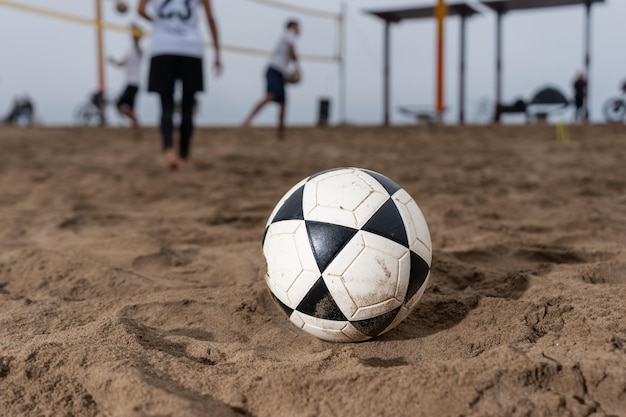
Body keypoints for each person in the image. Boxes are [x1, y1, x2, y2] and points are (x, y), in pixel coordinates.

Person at [138, 0, 222, 170]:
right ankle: (183, 155)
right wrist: (217, 52)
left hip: (162, 48)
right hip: (191, 48)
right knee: (188, 106)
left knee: (166, 105)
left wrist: (159, 22)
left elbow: (140, 10)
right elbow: (210, 19)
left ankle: (169, 150)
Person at [242, 20, 300, 139]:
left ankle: (281, 133)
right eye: (298, 27)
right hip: (274, 70)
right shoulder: (290, 34)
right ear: (292, 27)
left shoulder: (287, 36)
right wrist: (297, 63)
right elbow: (292, 51)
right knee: (270, 96)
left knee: (283, 103)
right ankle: (247, 121)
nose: (299, 29)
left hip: (278, 72)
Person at [108, 23, 144, 138]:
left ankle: (137, 125)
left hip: (133, 83)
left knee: (119, 105)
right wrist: (113, 61)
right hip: (131, 83)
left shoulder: (139, 50)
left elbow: (137, 43)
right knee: (127, 107)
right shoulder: (130, 51)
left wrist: (135, 30)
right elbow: (121, 64)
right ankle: (136, 127)